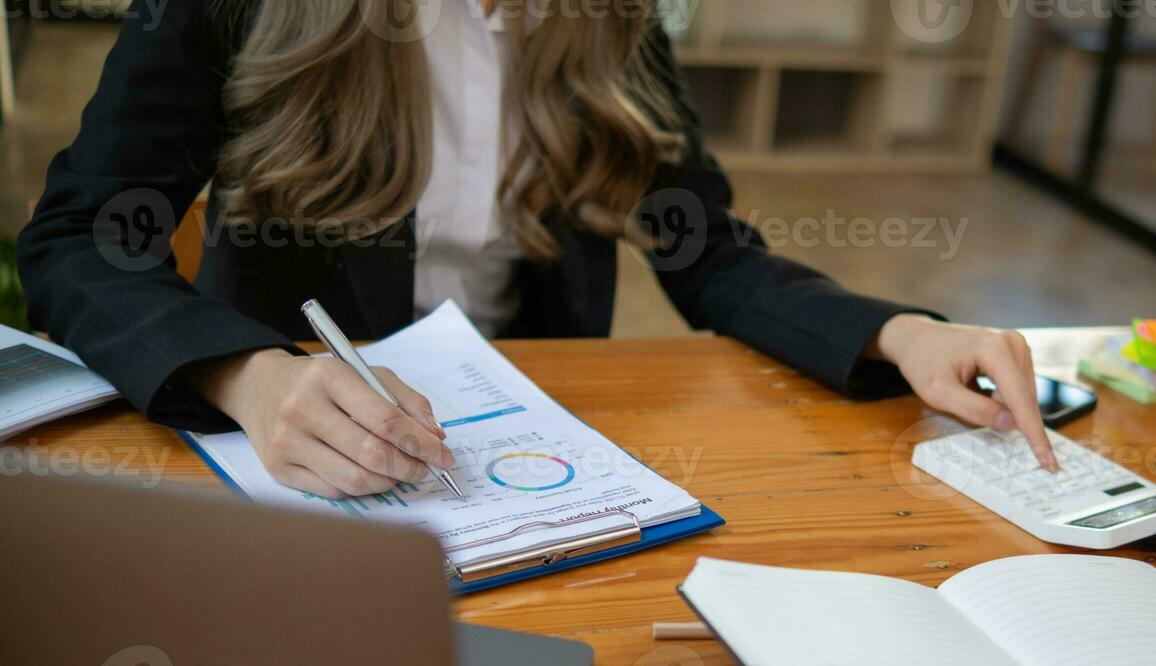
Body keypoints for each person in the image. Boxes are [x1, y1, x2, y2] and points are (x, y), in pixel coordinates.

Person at [19, 0, 1056, 499]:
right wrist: (244, 375)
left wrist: (896, 330)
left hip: (519, 463)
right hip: (298, 456)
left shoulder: (609, 23)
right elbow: (78, 237)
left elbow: (709, 253)